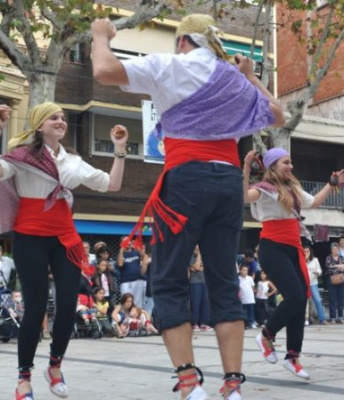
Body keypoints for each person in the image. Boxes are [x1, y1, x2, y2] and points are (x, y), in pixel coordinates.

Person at [92, 11, 285, 399]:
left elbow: (105, 70)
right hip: (228, 181)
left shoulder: (172, 65)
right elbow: (278, 115)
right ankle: (232, 385)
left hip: (186, 178)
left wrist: (100, 35)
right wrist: (250, 77)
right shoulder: (235, 80)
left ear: (183, 41)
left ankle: (189, 384)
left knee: (168, 279)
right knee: (224, 281)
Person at [0, 101, 127, 399]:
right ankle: (24, 378)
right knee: (35, 309)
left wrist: (120, 149)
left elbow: (113, 184)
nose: (60, 121)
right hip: (30, 235)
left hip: (65, 238)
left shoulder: (73, 161)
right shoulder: (21, 157)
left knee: (69, 306)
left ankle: (55, 366)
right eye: (53, 117)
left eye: (62, 117)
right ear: (39, 125)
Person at [245, 147, 344, 380]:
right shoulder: (264, 189)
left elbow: (315, 202)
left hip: (293, 247)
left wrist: (330, 185)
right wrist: (247, 168)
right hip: (272, 247)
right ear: (272, 166)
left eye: (290, 162)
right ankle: (266, 335)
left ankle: (293, 356)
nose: (291, 166)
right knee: (295, 296)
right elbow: (244, 197)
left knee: (300, 300)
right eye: (286, 162)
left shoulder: (293, 189)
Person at [117, 238, 147, 309]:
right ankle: (126, 315)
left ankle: (137, 315)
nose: (128, 242)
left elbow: (144, 256)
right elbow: (120, 264)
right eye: (125, 241)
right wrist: (121, 250)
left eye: (129, 241)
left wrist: (137, 246)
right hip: (126, 282)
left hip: (138, 280)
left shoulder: (136, 252)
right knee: (126, 301)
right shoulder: (121, 254)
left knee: (138, 303)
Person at [189, 246, 211, 332]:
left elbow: (206, 267)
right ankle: (195, 323)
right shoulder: (191, 256)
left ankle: (203, 323)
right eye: (196, 248)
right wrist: (199, 255)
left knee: (205, 303)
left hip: (204, 281)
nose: (197, 249)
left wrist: (197, 268)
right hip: (195, 282)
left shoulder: (205, 255)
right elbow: (197, 267)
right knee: (195, 303)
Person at [304, 246, 326, 325]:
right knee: (305, 302)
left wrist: (316, 273)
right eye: (305, 251)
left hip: (313, 282)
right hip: (304, 283)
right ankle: (305, 318)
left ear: (310, 252)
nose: (306, 253)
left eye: (308, 251)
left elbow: (319, 270)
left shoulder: (315, 260)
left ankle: (322, 319)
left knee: (317, 300)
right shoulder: (301, 260)